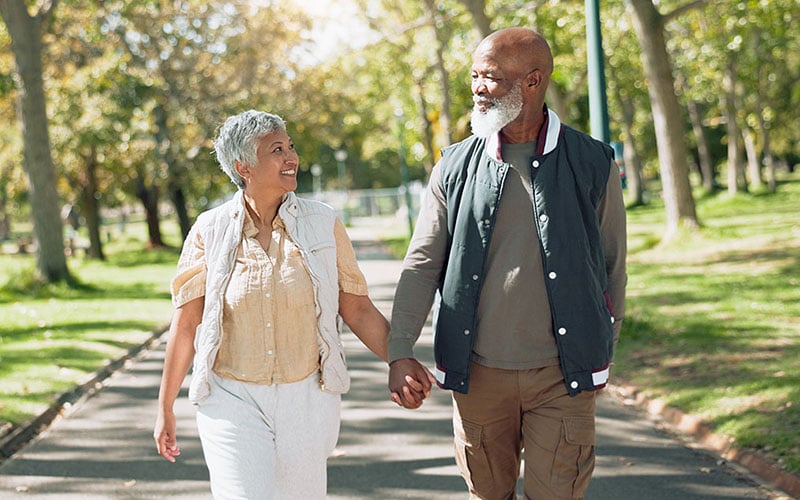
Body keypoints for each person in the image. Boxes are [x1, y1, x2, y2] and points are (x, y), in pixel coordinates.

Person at [387, 28, 627, 499]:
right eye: (475, 75)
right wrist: (399, 350)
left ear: (533, 82)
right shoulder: (453, 165)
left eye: (491, 78)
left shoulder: (593, 161)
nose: (478, 87)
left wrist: (602, 350)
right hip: (478, 378)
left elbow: (611, 264)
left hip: (562, 378)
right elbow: (421, 266)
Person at [153, 110, 390, 499]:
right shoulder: (208, 230)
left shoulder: (322, 222)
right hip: (232, 398)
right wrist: (165, 407)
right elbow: (185, 325)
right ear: (243, 166)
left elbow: (357, 308)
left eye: (290, 147)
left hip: (307, 397)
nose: (291, 158)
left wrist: (399, 359)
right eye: (276, 150)